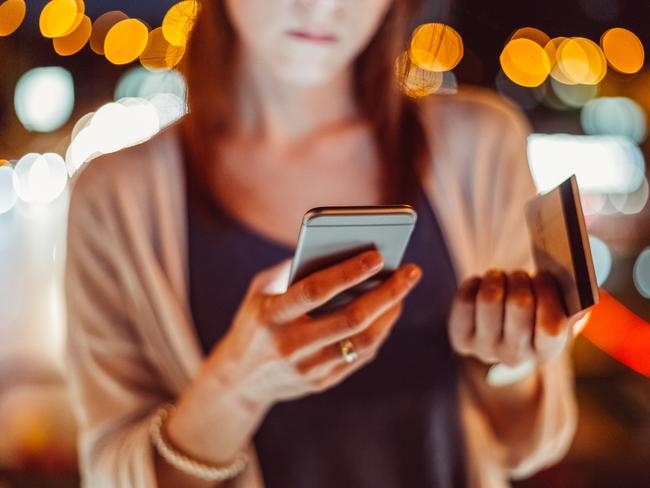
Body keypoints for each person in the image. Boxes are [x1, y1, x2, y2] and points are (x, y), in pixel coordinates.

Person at [65, 1, 582, 487]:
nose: (320, 7)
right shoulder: (116, 199)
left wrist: (509, 360)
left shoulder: (483, 146)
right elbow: (110, 472)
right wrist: (236, 387)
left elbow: (532, 445)